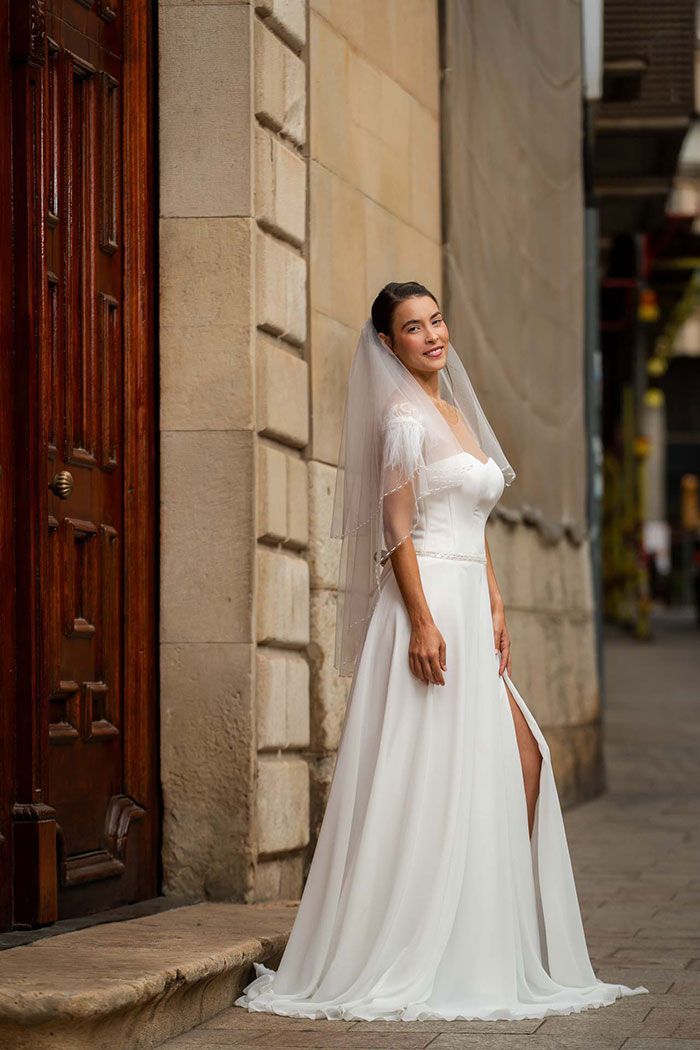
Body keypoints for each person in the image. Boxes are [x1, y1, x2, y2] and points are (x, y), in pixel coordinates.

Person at [235, 282, 649, 1022]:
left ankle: (477, 929)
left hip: (468, 598)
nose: (431, 334)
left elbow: (475, 520)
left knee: (518, 760)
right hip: (426, 605)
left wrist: (493, 601)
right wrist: (423, 622)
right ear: (389, 345)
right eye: (411, 327)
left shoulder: (455, 413)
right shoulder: (400, 418)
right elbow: (396, 530)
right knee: (428, 775)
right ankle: (422, 938)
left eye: (435, 320)